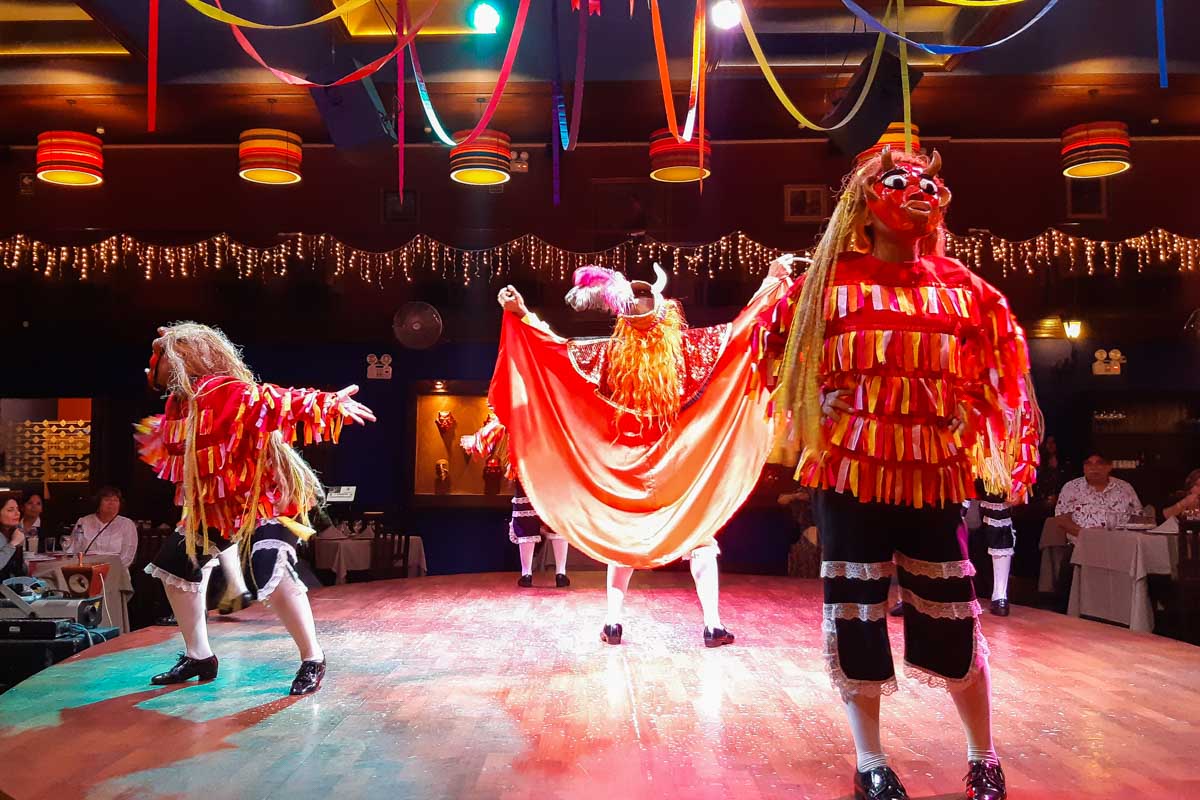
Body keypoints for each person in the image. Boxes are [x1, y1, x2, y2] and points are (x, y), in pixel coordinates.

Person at [760, 139, 1040, 800]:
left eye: (925, 179)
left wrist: (975, 415)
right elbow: (773, 345)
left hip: (934, 479)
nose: (917, 188)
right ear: (865, 201)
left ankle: (985, 756)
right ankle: (871, 764)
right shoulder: (826, 282)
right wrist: (812, 399)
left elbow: (1006, 371)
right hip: (849, 478)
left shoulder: (968, 290)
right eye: (897, 179)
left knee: (954, 617)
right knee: (855, 616)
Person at [489, 256, 792, 647]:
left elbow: (557, 350)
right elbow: (739, 331)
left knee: (627, 541)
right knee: (699, 539)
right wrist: (769, 283)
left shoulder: (616, 353)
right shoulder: (681, 349)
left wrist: (525, 315)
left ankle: (616, 623)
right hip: (676, 465)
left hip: (630, 466)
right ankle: (710, 625)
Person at [135, 322, 375, 695]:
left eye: (162, 355)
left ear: (187, 357)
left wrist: (328, 402)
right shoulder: (180, 403)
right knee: (175, 567)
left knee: (271, 574)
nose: (155, 365)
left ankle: (312, 657)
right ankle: (199, 654)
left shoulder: (225, 391)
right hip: (219, 506)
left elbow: (272, 399)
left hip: (264, 501)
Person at [460, 413, 571, 588]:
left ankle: (528, 574)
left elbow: (498, 425)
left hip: (531, 470)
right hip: (548, 470)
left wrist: (477, 440)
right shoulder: (549, 406)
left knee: (536, 521)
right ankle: (559, 573)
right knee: (553, 520)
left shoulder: (521, 407)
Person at [65, 487, 139, 569]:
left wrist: (106, 570)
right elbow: (72, 549)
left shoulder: (127, 524)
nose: (111, 503)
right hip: (86, 570)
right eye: (107, 500)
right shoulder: (83, 521)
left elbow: (127, 557)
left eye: (115, 500)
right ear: (98, 503)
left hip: (115, 572)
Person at [0, 495, 27, 581]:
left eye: (17, 509)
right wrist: (13, 544)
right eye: (10, 510)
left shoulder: (14, 532)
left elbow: (20, 570)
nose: (17, 513)